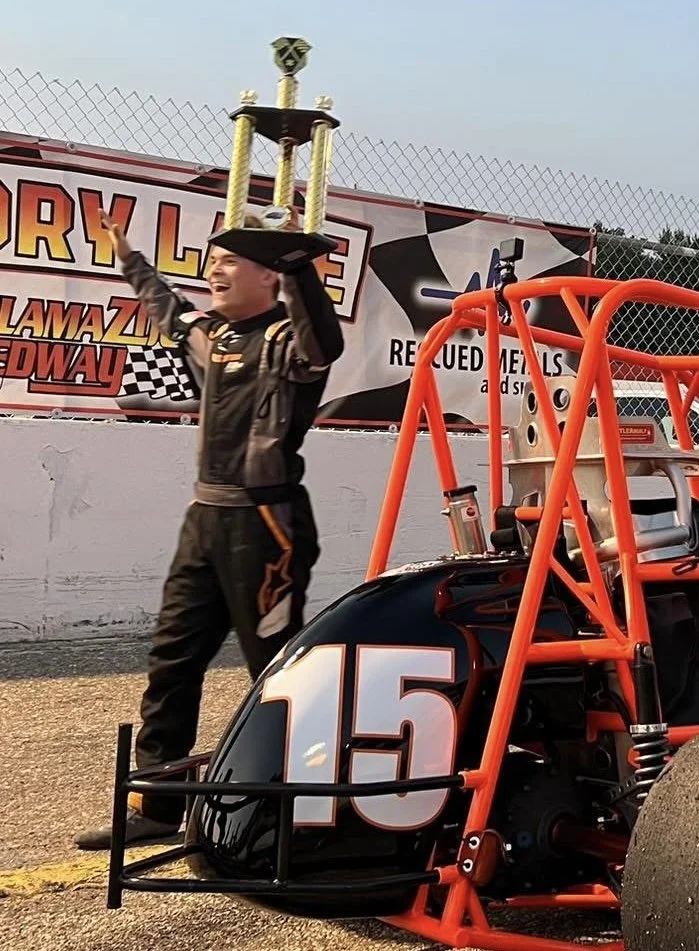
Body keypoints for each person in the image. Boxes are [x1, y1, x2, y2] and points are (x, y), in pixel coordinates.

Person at [75, 210, 344, 850]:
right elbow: (166, 309)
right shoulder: (212, 335)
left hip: (267, 525)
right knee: (172, 659)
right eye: (213, 260)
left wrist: (295, 259)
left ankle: (303, 810)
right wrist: (128, 257)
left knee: (277, 671)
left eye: (230, 260)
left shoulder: (288, 342)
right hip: (205, 520)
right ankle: (157, 805)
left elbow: (324, 340)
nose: (214, 270)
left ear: (267, 274)